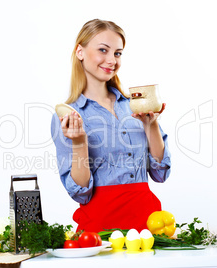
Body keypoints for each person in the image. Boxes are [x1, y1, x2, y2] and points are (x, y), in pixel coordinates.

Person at [50, 19, 171, 233]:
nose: (111, 60)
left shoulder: (135, 106)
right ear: (80, 51)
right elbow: (80, 193)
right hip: (100, 233)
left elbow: (160, 174)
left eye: (117, 53)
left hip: (150, 227)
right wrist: (79, 142)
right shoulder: (70, 116)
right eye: (103, 50)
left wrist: (151, 126)